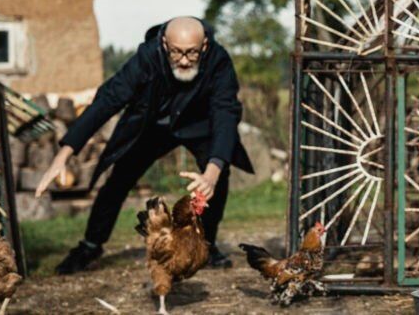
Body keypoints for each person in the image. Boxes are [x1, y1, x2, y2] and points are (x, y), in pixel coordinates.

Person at [35, 16, 254, 274]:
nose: (184, 60)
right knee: (118, 180)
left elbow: (226, 112)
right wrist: (63, 155)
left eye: (192, 53)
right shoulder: (147, 57)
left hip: (200, 126)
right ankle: (90, 245)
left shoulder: (219, 60)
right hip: (153, 126)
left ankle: (205, 244)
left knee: (217, 177)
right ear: (164, 44)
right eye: (177, 52)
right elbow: (108, 99)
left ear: (204, 46)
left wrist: (212, 173)